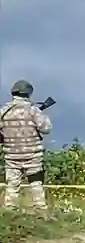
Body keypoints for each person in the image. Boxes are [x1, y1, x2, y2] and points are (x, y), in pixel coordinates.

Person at [0, 80, 53, 211]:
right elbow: (46, 128)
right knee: (36, 183)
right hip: (33, 154)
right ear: (28, 93)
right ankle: (40, 210)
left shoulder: (3, 111)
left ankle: (10, 212)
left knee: (12, 185)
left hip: (12, 154)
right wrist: (42, 116)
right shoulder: (33, 110)